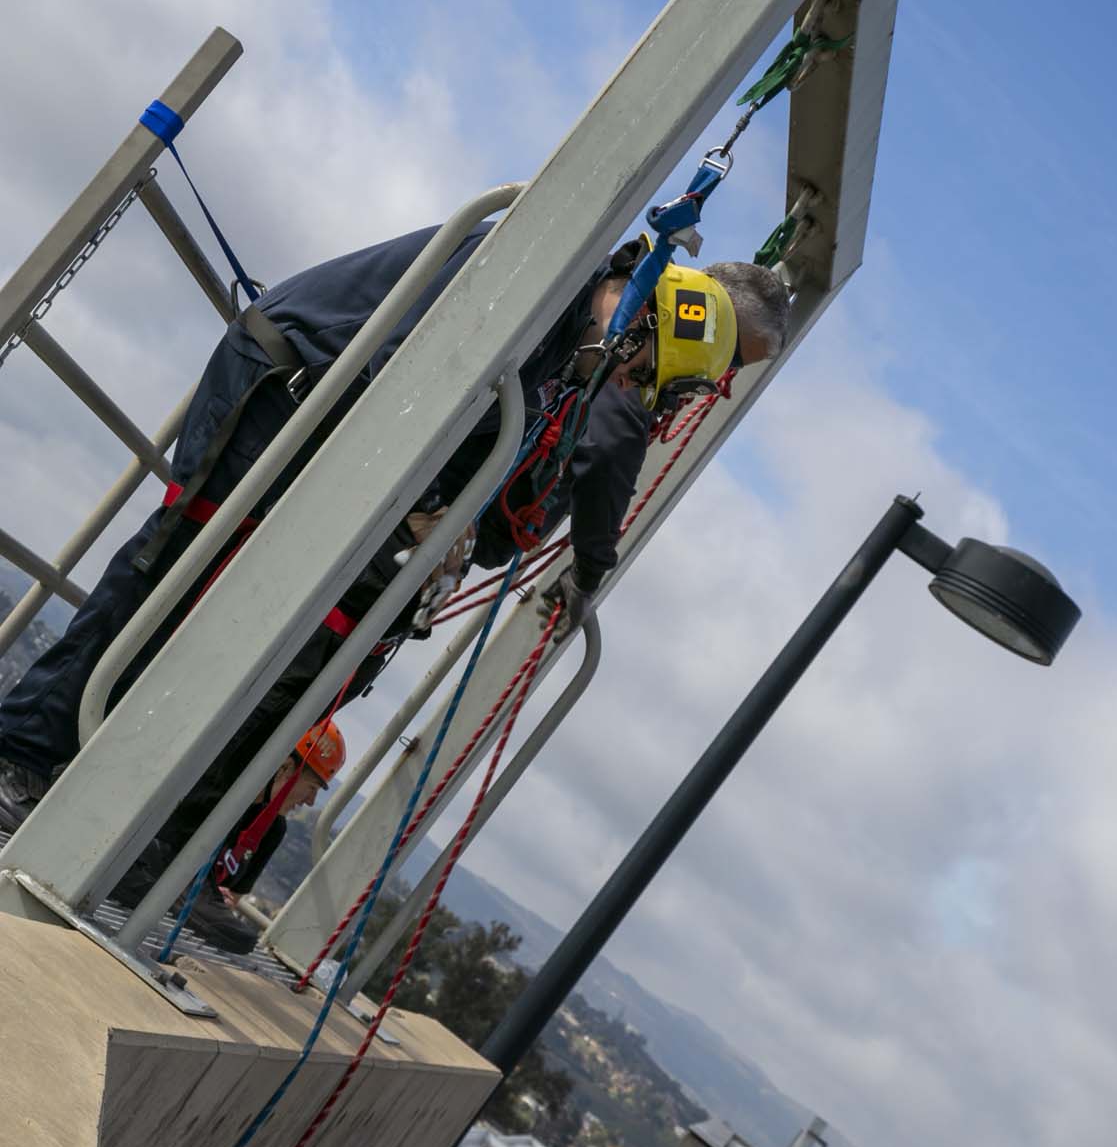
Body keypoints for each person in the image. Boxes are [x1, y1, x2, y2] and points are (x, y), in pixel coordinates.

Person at [0, 224, 787, 880]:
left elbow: (465, 419)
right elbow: (405, 374)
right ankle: (23, 752)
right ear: (645, 319)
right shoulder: (547, 274)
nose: (624, 376)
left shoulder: (567, 336)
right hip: (291, 386)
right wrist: (423, 509)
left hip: (329, 413)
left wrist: (444, 519)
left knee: (229, 622)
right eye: (639, 364)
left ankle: (80, 786)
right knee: (176, 574)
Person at [183, 720, 347, 955]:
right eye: (311, 787)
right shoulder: (219, 793)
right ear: (285, 768)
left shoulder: (272, 830)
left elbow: (230, 899)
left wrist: (223, 900)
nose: (310, 801)